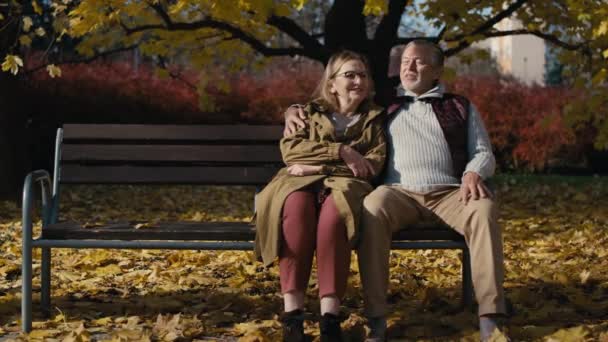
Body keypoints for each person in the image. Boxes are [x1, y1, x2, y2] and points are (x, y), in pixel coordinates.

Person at [284, 40, 507, 342]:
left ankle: (490, 318)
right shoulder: (382, 104)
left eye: (418, 62)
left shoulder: (460, 106)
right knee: (372, 208)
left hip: (450, 192)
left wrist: (473, 172)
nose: (409, 67)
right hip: (397, 193)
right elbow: (332, 106)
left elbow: (483, 151)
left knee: (484, 208)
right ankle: (376, 319)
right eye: (404, 62)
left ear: (438, 70)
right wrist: (293, 109)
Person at [255, 50, 386, 342]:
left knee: (333, 220)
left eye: (363, 75)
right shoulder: (307, 113)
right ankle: (293, 318)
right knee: (295, 211)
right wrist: (342, 151)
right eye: (349, 75)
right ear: (332, 84)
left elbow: (372, 165)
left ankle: (330, 318)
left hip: (344, 185)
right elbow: (291, 152)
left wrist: (316, 165)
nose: (358, 81)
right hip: (298, 183)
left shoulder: (375, 118)